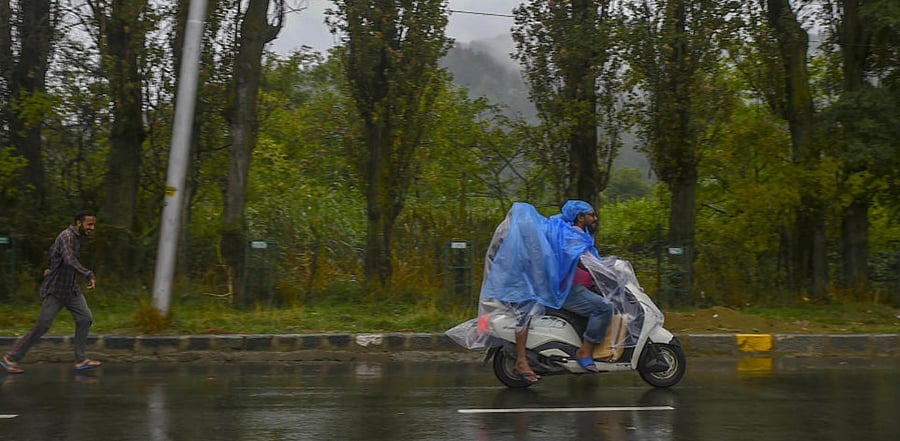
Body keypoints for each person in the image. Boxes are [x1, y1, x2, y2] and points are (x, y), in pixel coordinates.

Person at [514, 200, 613, 376]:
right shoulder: (572, 235)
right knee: (604, 308)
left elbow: (591, 259)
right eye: (591, 215)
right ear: (580, 218)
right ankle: (585, 351)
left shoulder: (580, 235)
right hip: (568, 290)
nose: (595, 218)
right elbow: (581, 260)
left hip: (576, 287)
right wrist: (603, 270)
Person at [0, 210, 102, 374]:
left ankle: (81, 360)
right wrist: (88, 273)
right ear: (78, 223)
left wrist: (50, 265)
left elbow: (54, 250)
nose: (92, 228)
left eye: (93, 225)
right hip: (55, 290)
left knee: (85, 318)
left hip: (71, 289)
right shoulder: (67, 236)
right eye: (89, 224)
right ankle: (11, 358)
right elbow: (69, 259)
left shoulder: (77, 238)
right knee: (43, 325)